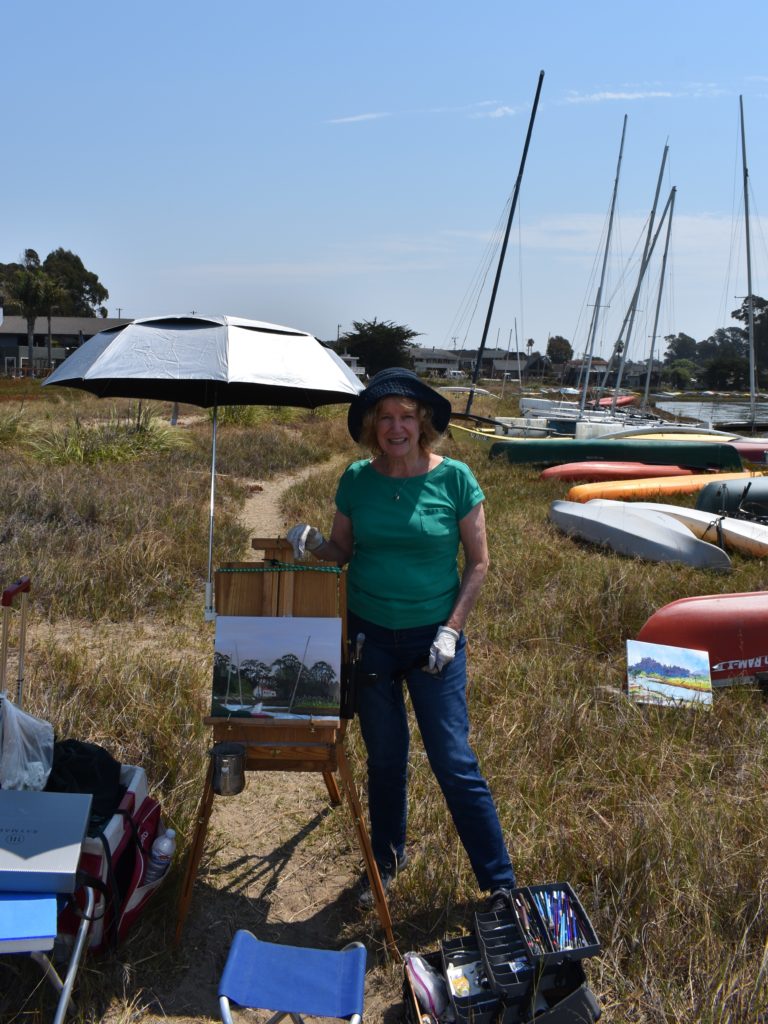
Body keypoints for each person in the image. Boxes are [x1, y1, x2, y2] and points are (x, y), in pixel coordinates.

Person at [287, 367, 516, 907]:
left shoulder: (456, 479)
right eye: (385, 418)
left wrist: (451, 632)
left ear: (423, 424)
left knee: (454, 762)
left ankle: (500, 885)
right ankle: (386, 866)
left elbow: (478, 565)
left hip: (434, 640)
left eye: (406, 417)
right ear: (372, 427)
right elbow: (343, 553)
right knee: (385, 760)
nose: (396, 427)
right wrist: (316, 542)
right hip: (370, 641)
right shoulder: (357, 480)